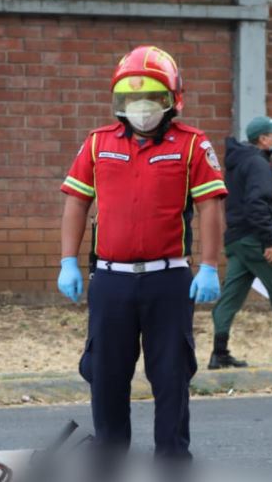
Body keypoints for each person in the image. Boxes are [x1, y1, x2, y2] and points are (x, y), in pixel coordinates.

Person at [57, 45, 227, 460]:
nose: (141, 107)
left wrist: (208, 266)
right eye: (132, 98)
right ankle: (110, 459)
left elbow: (210, 205)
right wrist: (67, 261)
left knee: (170, 375)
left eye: (151, 97)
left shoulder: (191, 145)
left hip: (168, 281)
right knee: (105, 373)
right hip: (110, 280)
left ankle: (172, 461)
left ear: (171, 101)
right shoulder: (97, 143)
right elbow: (76, 202)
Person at [208, 116, 272, 369]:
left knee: (231, 295)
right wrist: (268, 241)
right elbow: (257, 203)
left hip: (237, 239)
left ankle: (219, 353)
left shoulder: (240, 161)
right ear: (263, 138)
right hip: (256, 240)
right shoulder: (257, 163)